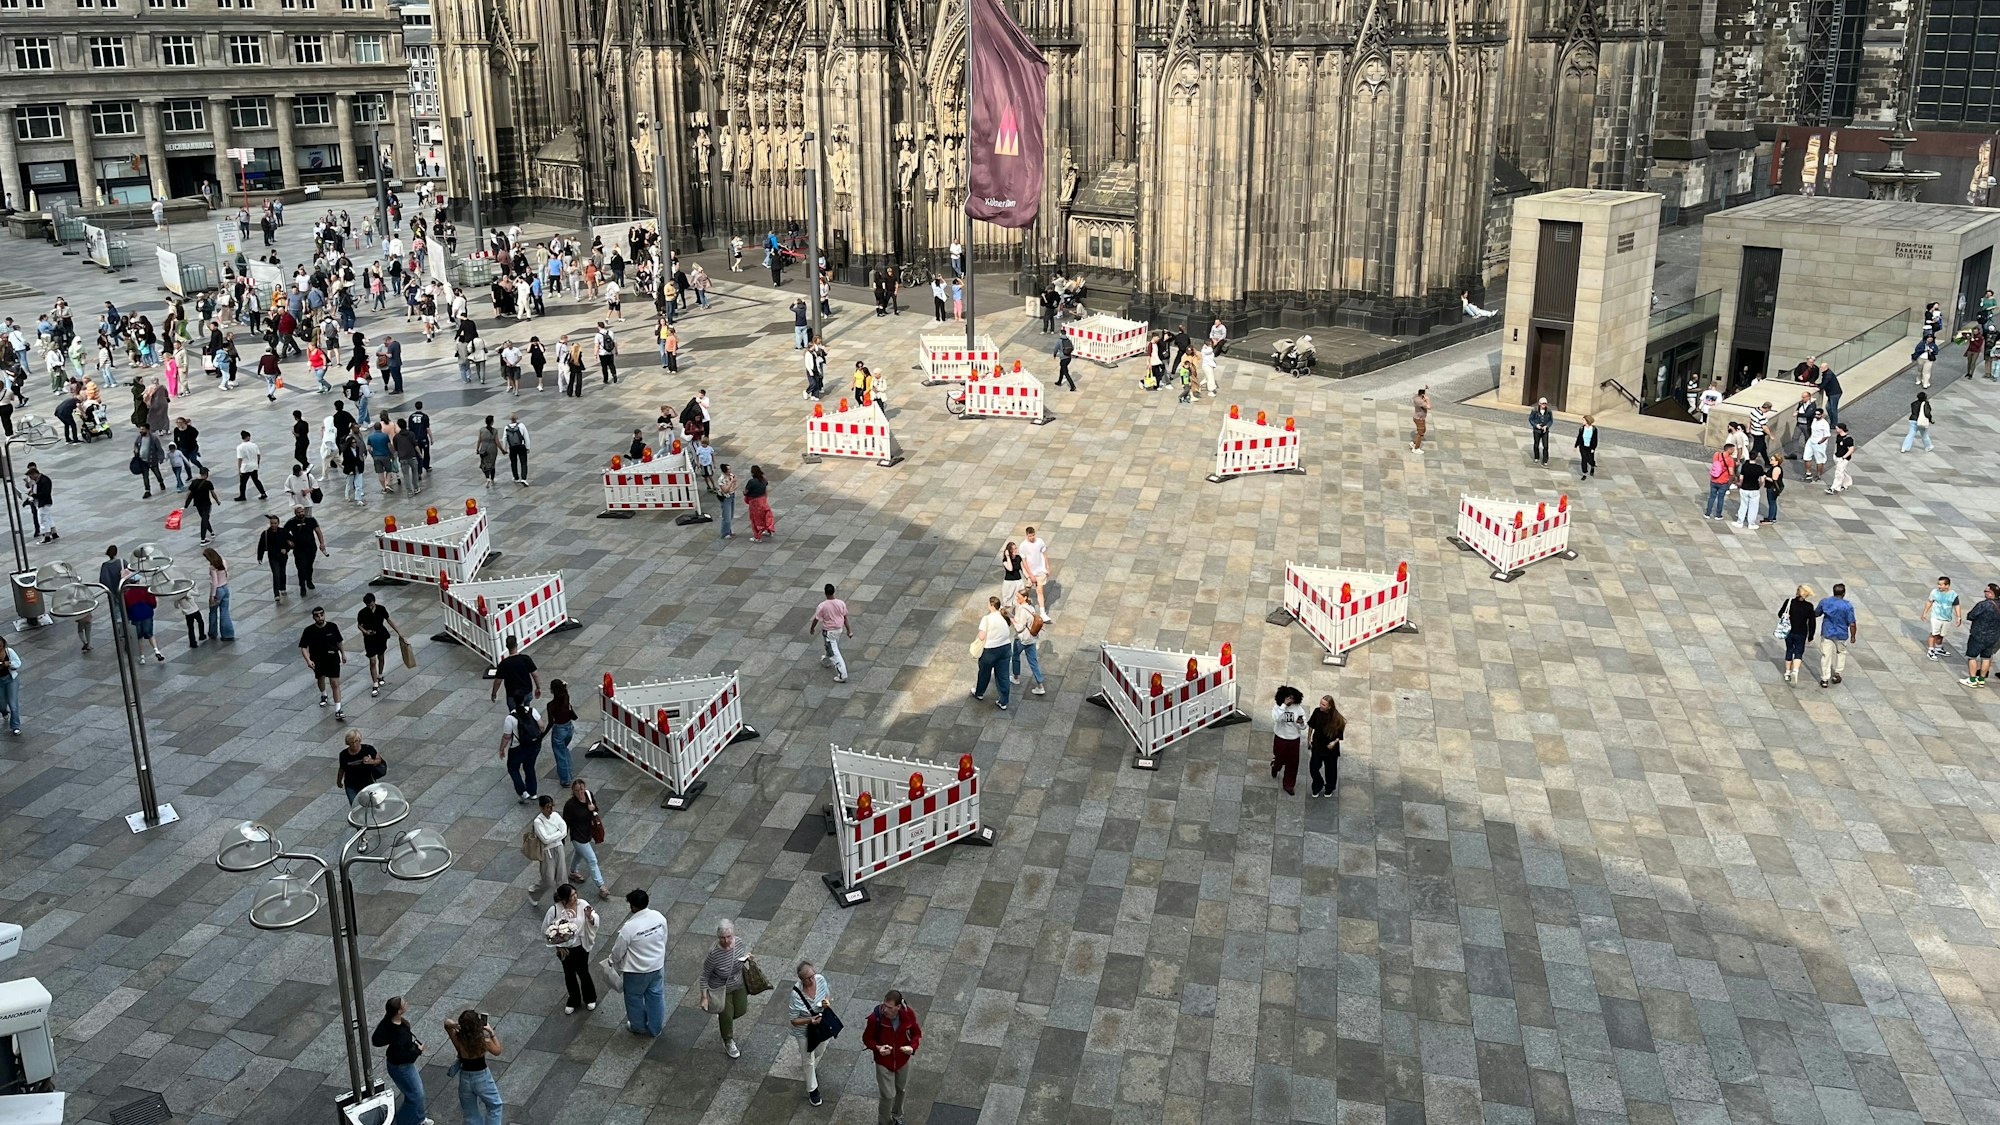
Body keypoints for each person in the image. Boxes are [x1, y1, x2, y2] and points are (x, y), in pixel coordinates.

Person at [605, 889, 668, 1036]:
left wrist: (611, 961)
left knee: (634, 999)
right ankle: (655, 1028)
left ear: (633, 907)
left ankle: (638, 1026)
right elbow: (663, 939)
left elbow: (618, 951)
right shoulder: (659, 917)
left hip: (636, 972)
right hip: (657, 967)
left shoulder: (629, 928)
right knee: (656, 997)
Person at [862, 990, 921, 1125]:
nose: (885, 1010)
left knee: (901, 1089)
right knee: (888, 1095)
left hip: (903, 1060)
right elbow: (867, 1038)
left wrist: (912, 1047)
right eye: (884, 1005)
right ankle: (884, 1121)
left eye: (889, 1007)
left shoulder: (908, 1014)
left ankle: (897, 1116)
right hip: (884, 1062)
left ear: (898, 1007)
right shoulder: (875, 1018)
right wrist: (878, 1048)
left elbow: (916, 1033)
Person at [542, 882, 599, 1013]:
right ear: (563, 899)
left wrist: (590, 917)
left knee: (583, 972)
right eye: (572, 895)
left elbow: (594, 919)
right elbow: (546, 929)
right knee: (569, 973)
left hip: (580, 945)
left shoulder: (583, 904)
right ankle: (574, 999)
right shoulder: (554, 910)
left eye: (575, 893)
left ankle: (590, 998)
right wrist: (557, 946)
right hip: (564, 949)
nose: (575, 897)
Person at [699, 920, 752, 1058]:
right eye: (722, 937)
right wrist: (704, 997)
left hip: (739, 983)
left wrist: (747, 958)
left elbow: (740, 956)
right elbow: (705, 975)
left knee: (741, 1010)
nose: (726, 940)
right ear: (718, 937)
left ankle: (724, 1017)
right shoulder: (714, 954)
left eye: (729, 936)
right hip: (722, 988)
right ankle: (728, 1040)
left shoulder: (739, 942)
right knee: (727, 1016)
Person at [371, 997, 428, 1125]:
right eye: (404, 1003)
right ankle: (401, 1121)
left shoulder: (390, 1021)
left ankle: (419, 1118)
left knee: (415, 1093)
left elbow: (377, 1040)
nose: (406, 1003)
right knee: (416, 1095)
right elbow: (403, 1057)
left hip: (400, 1065)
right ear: (399, 1011)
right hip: (402, 1067)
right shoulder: (399, 1033)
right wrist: (418, 1051)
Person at [441, 1009, 504, 1125]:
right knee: (494, 1106)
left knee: (470, 1113)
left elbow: (447, 1023)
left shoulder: (459, 1039)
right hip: (482, 1077)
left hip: (465, 1078)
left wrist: (460, 1027)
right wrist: (491, 1033)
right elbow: (497, 1051)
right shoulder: (483, 1041)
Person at [789, 961, 835, 1106]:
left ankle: (810, 1067)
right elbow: (794, 1020)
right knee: (808, 1060)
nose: (812, 980)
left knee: (820, 1050)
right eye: (808, 978)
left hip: (821, 1025)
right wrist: (809, 1020)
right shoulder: (796, 994)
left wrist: (827, 1002)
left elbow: (827, 996)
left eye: (812, 976)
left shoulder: (820, 980)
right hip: (804, 1030)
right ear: (801, 980)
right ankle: (813, 1090)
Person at [561, 777, 610, 897]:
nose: (580, 793)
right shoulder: (570, 805)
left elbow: (595, 809)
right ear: (573, 791)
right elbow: (565, 823)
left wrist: (593, 808)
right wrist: (562, 839)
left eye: (581, 789)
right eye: (577, 790)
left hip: (588, 832)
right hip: (577, 836)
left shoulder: (589, 795)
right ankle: (601, 885)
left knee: (579, 853)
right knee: (592, 859)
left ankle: (573, 872)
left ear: (585, 788)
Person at [300, 606, 347, 718]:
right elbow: (303, 647)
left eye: (321, 615)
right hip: (318, 660)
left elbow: (339, 642)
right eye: (317, 616)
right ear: (313, 617)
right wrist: (308, 660)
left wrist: (343, 654)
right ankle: (323, 694)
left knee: (335, 683)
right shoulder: (309, 630)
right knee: (320, 679)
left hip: (333, 658)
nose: (320, 617)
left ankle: (338, 709)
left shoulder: (332, 627)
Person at [971, 596, 1014, 710]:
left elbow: (982, 636)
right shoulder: (1003, 616)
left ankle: (979, 693)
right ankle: (1003, 701)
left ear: (991, 605)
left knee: (984, 673)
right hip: (1005, 648)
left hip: (990, 650)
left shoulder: (987, 619)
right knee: (1003, 676)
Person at [357, 592, 403, 696]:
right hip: (369, 638)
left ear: (374, 601)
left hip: (381, 635)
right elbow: (359, 625)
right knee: (372, 660)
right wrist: (365, 631)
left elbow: (388, 620)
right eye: (368, 605)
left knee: (381, 656)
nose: (370, 606)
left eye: (371, 604)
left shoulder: (381, 609)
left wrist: (398, 632)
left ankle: (380, 674)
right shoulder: (362, 613)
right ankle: (375, 684)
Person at [498, 699, 545, 802]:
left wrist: (501, 749)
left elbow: (506, 736)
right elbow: (542, 726)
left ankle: (523, 792)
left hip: (518, 748)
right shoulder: (533, 711)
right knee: (529, 768)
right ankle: (533, 793)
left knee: (513, 769)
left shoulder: (510, 718)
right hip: (534, 745)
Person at [1815, 582, 1858, 688]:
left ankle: (1824, 678)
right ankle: (1837, 674)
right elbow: (1852, 623)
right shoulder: (1847, 606)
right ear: (1844, 593)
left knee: (1826, 655)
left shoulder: (1825, 601)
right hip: (1841, 633)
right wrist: (1853, 636)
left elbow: (1816, 613)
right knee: (1841, 652)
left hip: (1827, 632)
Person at [527, 794, 569, 901]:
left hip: (558, 848)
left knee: (562, 876)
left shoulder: (555, 815)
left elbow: (564, 830)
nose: (551, 809)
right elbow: (545, 839)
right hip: (547, 852)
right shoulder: (538, 821)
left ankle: (563, 897)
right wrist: (558, 833)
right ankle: (534, 893)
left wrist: (554, 836)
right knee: (548, 879)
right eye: (548, 807)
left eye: (552, 806)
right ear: (541, 808)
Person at [1009, 588, 1047, 696]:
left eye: (1019, 597)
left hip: (1022, 639)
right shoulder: (1030, 607)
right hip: (1032, 639)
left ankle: (1016, 677)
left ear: (1024, 598)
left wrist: (1011, 619)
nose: (1017, 599)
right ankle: (1040, 685)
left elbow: (1019, 628)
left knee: (1015, 656)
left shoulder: (1022, 610)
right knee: (1033, 662)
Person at [810, 583, 852, 684]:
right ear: (834, 591)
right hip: (839, 629)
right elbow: (845, 617)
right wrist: (849, 630)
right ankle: (826, 660)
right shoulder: (841, 603)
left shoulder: (822, 606)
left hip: (829, 631)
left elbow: (816, 619)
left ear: (825, 593)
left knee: (834, 652)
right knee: (831, 646)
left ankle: (842, 675)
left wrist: (812, 628)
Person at [1777, 584, 1817, 684]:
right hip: (1801, 633)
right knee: (1799, 652)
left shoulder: (1789, 602)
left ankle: (1787, 673)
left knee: (1789, 649)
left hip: (1789, 631)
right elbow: (1812, 622)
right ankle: (1795, 671)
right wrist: (1811, 635)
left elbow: (1780, 614)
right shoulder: (1809, 606)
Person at [1962, 583, 2000, 687]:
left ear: (1991, 594)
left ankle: (1972, 679)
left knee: (1972, 657)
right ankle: (1982, 679)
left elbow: (1971, 615)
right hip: (1993, 637)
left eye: (1986, 591)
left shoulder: (1983, 605)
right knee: (1986, 658)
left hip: (1978, 635)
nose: (1984, 592)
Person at [1270, 685, 1305, 795]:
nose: (1291, 700)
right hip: (1280, 738)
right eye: (1288, 698)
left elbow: (1304, 726)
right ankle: (1276, 766)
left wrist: (1301, 723)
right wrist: (1284, 706)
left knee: (1293, 763)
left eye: (1292, 698)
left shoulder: (1298, 709)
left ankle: (1289, 784)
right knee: (1279, 758)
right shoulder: (1277, 707)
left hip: (1294, 739)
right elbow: (1276, 718)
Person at [1306, 695, 1344, 797]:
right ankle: (1318, 784)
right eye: (1320, 703)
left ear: (1329, 706)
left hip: (1330, 748)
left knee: (1331, 770)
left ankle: (1329, 788)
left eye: (1323, 704)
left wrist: (1334, 742)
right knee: (1313, 768)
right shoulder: (1317, 712)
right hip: (1318, 745)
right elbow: (1311, 726)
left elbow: (1340, 734)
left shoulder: (1337, 718)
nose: (1321, 706)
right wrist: (1309, 738)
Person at [336, 728, 387, 804]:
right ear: (348, 743)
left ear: (359, 740)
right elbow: (342, 769)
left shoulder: (368, 749)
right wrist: (339, 781)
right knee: (355, 805)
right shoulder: (344, 755)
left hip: (368, 783)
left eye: (356, 741)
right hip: (351, 785)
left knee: (374, 804)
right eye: (351, 742)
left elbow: (379, 760)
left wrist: (371, 761)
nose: (354, 744)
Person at [491, 634, 540, 709]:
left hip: (512, 694)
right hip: (527, 691)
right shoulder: (525, 659)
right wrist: (538, 687)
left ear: (507, 646)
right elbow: (535, 674)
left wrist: (494, 693)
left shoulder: (504, 663)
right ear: (516, 645)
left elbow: (498, 681)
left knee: (514, 714)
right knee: (527, 709)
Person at [122, 577, 166, 661]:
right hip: (147, 614)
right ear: (138, 581)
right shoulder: (145, 589)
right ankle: (156, 650)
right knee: (150, 634)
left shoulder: (126, 594)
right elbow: (152, 602)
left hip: (135, 616)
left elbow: (126, 608)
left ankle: (142, 657)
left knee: (139, 637)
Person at [286, 505, 326, 594]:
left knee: (309, 566)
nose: (301, 514)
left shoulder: (311, 520)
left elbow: (318, 531)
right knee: (301, 567)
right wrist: (289, 541)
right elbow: (284, 533)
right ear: (295, 513)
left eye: (302, 511)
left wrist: (322, 543)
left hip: (311, 547)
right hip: (299, 548)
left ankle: (309, 580)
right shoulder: (291, 522)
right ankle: (302, 586)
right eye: (298, 512)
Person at [1924, 575, 1962, 660]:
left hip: (1947, 618)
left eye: (1941, 585)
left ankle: (1938, 648)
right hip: (1936, 617)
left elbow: (1956, 606)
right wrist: (1925, 612)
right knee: (1934, 633)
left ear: (1947, 585)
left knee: (1941, 634)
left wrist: (1959, 617)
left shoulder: (1953, 595)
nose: (1939, 586)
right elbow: (1929, 602)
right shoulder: (1934, 592)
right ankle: (1930, 650)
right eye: (1938, 584)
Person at [1020, 526, 1053, 620]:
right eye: (1030, 536)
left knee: (1040, 590)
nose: (1032, 537)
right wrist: (1030, 575)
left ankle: (1043, 612)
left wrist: (1047, 567)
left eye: (1033, 535)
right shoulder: (1023, 546)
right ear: (1027, 535)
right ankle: (1021, 603)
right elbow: (1024, 561)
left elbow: (1044, 554)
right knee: (1028, 589)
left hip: (1040, 570)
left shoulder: (1040, 542)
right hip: (1030, 570)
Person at [257, 514, 292, 599]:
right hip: (273, 556)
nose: (273, 525)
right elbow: (261, 545)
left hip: (283, 556)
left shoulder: (283, 531)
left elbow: (291, 541)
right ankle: (276, 593)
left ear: (278, 523)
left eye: (275, 523)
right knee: (276, 573)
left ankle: (282, 587)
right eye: (272, 523)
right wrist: (260, 557)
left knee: (282, 572)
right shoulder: (266, 533)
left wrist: (286, 549)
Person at [204, 546, 234, 641]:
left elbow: (215, 583)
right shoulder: (223, 562)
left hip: (218, 590)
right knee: (225, 611)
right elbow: (226, 574)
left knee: (213, 612)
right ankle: (228, 634)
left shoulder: (213, 567)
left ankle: (213, 632)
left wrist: (212, 596)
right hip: (225, 587)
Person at [23, 464, 55, 544]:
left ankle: (46, 536)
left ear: (35, 474)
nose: (31, 478)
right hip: (43, 502)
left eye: (31, 476)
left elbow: (44, 493)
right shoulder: (39, 480)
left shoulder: (44, 481)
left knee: (43, 519)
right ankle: (54, 532)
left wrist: (33, 495)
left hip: (44, 502)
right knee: (48, 518)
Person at [1733, 450, 1764, 529]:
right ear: (1756, 457)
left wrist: (1740, 484)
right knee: (1753, 507)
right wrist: (1759, 485)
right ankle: (1751, 524)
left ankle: (1740, 522)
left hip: (1745, 488)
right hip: (1754, 489)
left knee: (1743, 505)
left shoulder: (1745, 466)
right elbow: (1762, 479)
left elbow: (1741, 478)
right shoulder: (1759, 468)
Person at [744, 465, 776, 541]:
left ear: (752, 473)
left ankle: (757, 537)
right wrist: (765, 499)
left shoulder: (751, 482)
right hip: (762, 500)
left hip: (754, 502)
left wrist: (744, 493)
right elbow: (765, 491)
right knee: (765, 515)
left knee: (756, 519)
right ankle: (769, 530)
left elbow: (746, 491)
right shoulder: (764, 480)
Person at [235, 430, 267, 501]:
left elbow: (240, 459)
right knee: (256, 481)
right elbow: (258, 455)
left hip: (245, 467)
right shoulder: (254, 445)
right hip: (253, 466)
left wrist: (239, 469)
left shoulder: (240, 447)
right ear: (248, 437)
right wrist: (257, 463)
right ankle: (263, 493)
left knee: (243, 483)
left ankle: (242, 496)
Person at [1825, 423, 1855, 493]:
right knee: (1843, 471)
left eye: (1837, 428)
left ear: (1841, 429)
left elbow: (1851, 449)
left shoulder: (1849, 439)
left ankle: (1833, 488)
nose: (1836, 429)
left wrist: (1844, 457)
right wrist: (1834, 454)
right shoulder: (1838, 436)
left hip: (1844, 459)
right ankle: (1847, 483)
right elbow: (1837, 445)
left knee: (1838, 473)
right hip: (1837, 456)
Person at [504, 412, 530, 486]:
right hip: (521, 446)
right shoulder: (521, 425)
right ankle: (523, 478)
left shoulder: (506, 427)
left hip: (512, 448)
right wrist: (528, 447)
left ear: (510, 419)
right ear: (517, 418)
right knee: (523, 462)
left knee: (513, 462)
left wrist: (504, 448)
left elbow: (504, 438)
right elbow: (526, 437)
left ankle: (516, 477)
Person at [475, 415, 500, 485]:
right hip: (493, 449)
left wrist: (477, 449)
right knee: (492, 464)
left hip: (484, 449)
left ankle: (487, 478)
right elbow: (497, 442)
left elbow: (479, 440)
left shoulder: (482, 430)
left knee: (484, 464)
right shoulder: (494, 431)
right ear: (492, 422)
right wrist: (502, 450)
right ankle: (492, 479)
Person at [1527, 398, 1553, 465]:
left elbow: (1551, 420)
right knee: (1536, 444)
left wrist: (1547, 426)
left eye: (1545, 403)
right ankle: (1536, 457)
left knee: (1546, 446)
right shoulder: (1535, 410)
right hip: (1537, 430)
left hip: (1545, 431)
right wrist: (1536, 425)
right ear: (1539, 404)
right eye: (1543, 403)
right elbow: (1530, 419)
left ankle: (1545, 460)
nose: (1544, 405)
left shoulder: (1549, 411)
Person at [715, 463, 737, 540]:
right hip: (726, 498)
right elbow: (725, 490)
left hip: (732, 495)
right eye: (728, 469)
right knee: (726, 516)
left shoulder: (731, 475)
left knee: (730, 515)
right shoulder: (721, 479)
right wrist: (731, 482)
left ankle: (728, 530)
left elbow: (735, 483)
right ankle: (725, 533)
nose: (730, 471)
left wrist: (733, 487)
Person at [1574, 415, 1598, 480]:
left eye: (1583, 420)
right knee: (1584, 459)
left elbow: (1595, 440)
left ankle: (1592, 466)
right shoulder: (1582, 428)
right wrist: (1575, 446)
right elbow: (1579, 437)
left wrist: (1593, 448)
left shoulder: (1594, 429)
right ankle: (1584, 473)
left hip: (1590, 447)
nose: (1582, 421)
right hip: (1583, 446)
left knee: (1590, 460)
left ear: (1587, 421)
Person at [1410, 387, 1430, 454]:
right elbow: (1429, 406)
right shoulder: (1420, 401)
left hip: (1419, 418)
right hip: (1419, 419)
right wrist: (1427, 400)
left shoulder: (1417, 397)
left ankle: (1414, 443)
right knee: (1420, 433)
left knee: (1423, 430)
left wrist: (1425, 387)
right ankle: (1416, 448)